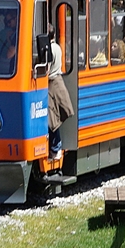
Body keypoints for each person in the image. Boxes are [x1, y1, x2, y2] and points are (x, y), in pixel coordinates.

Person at [45, 30, 73, 163]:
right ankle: (55, 148)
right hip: (57, 81)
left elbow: (47, 69)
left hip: (52, 83)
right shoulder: (57, 47)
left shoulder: (49, 49)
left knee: (52, 120)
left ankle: (56, 148)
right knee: (54, 118)